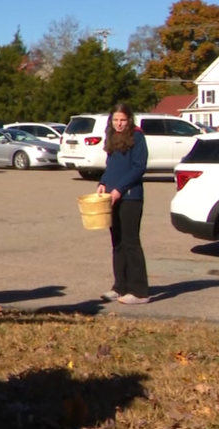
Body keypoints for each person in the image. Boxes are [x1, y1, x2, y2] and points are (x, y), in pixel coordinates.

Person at [96, 103, 150, 305]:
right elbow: (111, 166)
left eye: (123, 120)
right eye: (116, 120)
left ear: (129, 120)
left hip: (130, 197)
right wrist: (103, 183)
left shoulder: (137, 136)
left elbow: (138, 168)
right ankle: (120, 286)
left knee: (130, 242)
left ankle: (139, 291)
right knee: (117, 243)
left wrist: (119, 188)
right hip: (112, 197)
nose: (119, 124)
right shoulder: (112, 136)